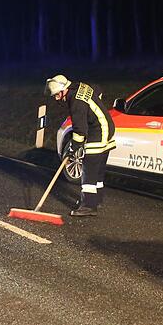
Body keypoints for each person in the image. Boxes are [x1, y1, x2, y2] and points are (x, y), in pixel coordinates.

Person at [46, 74, 116, 217]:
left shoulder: (76, 101)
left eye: (57, 95)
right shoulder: (79, 86)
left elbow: (80, 130)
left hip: (98, 131)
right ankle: (96, 200)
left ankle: (89, 206)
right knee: (98, 169)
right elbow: (98, 90)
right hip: (107, 127)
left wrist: (73, 148)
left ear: (63, 90)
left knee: (89, 169)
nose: (56, 98)